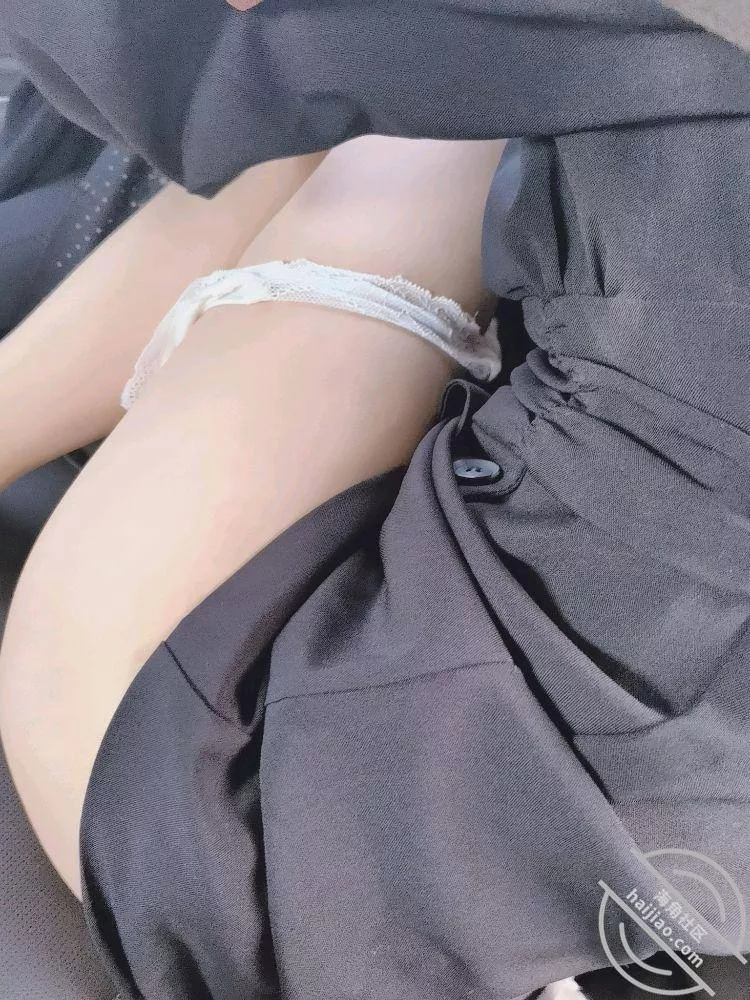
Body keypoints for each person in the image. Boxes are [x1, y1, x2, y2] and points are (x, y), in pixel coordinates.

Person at [0, 2, 748, 999]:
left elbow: (200, 69)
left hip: (237, 798)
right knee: (438, 105)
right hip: (631, 792)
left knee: (409, 134)